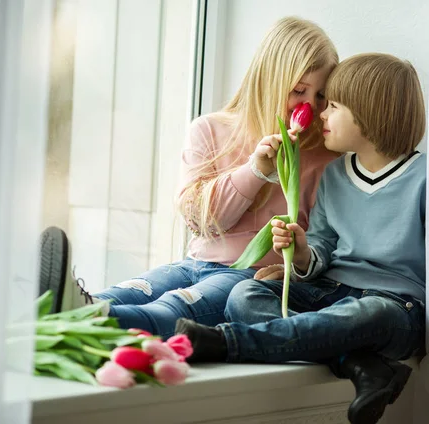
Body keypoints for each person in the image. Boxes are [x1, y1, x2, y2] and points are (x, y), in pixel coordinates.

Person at [38, 16, 339, 339]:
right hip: (193, 262)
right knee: (134, 290)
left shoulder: (324, 157)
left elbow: (326, 242)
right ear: (270, 80)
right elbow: (200, 219)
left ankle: (87, 318)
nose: (309, 105)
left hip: (248, 276)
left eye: (321, 96)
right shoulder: (209, 129)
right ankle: (63, 311)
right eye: (298, 90)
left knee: (174, 309)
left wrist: (293, 272)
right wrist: (255, 171)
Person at [173, 53, 427, 424]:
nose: (321, 113)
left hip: (394, 305)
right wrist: (304, 251)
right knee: (244, 295)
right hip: (332, 292)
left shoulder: (426, 178)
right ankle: (359, 364)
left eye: (334, 105)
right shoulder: (335, 175)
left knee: (368, 313)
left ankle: (227, 343)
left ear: (372, 113)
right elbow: (323, 245)